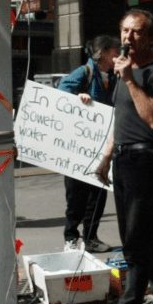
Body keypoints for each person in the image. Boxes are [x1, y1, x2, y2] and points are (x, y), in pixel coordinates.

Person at [93, 9, 153, 304]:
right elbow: (122, 118)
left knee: (135, 241)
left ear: (152, 38)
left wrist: (130, 79)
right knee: (138, 238)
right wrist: (106, 158)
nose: (128, 37)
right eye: (124, 30)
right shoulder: (121, 72)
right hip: (124, 161)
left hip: (147, 162)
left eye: (137, 32)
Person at [57, 35, 120, 253]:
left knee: (98, 197)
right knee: (76, 197)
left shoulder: (116, 77)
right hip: (78, 148)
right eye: (115, 51)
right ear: (103, 53)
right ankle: (71, 237)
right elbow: (61, 94)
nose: (119, 55)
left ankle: (91, 237)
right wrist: (78, 97)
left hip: (101, 149)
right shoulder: (84, 72)